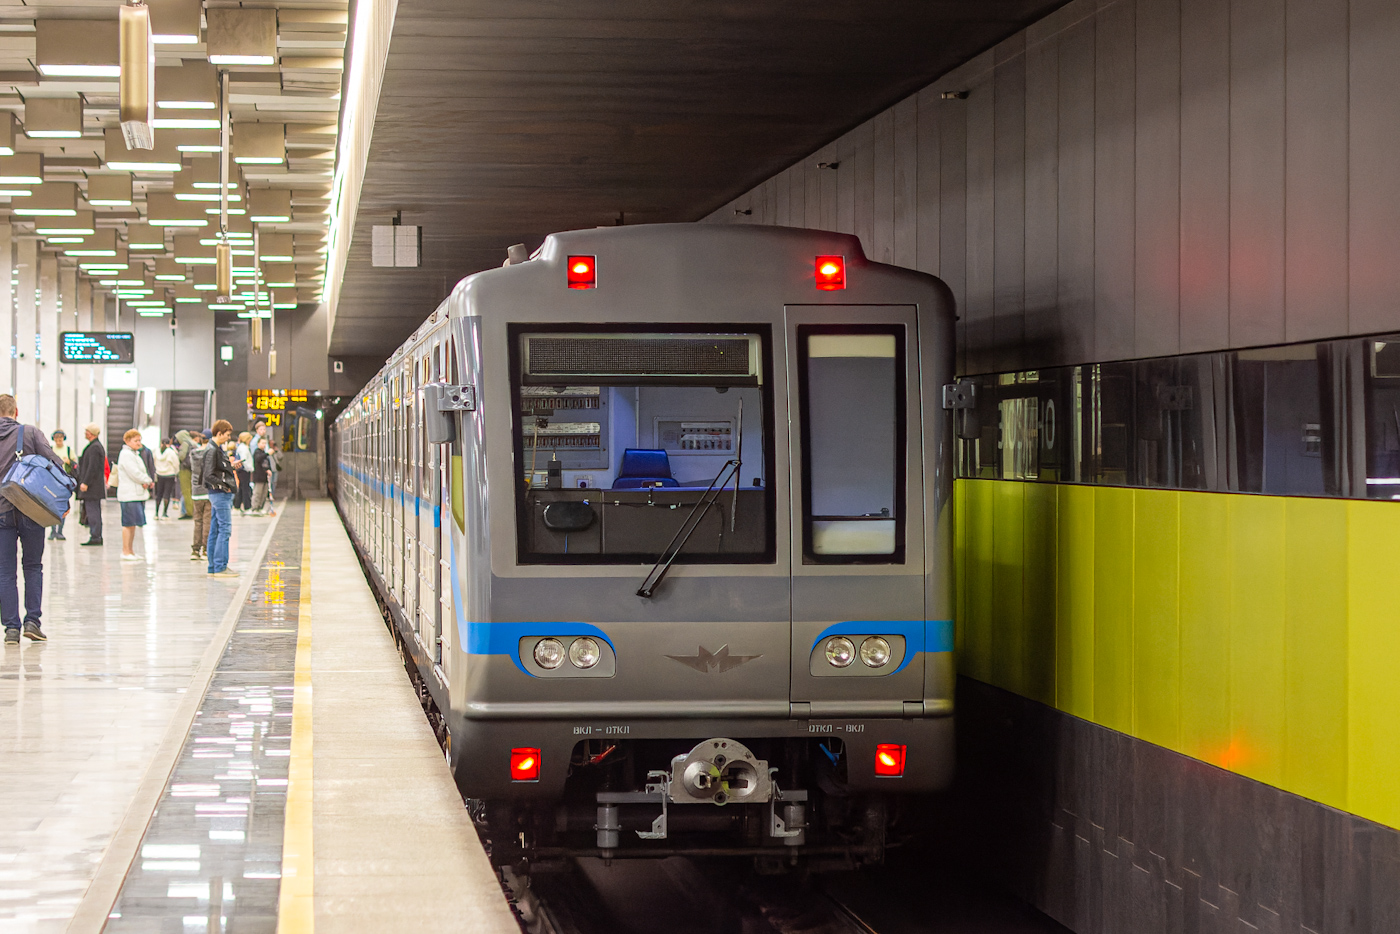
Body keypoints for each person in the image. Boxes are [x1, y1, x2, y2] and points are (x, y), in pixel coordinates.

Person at [0, 395, 65, 644]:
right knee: (33, 566)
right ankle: (32, 622)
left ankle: (11, 629)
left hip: (2, 511)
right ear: (16, 411)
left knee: (5, 571)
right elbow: (55, 463)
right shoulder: (30, 432)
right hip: (31, 509)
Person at [201, 420, 240, 577]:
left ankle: (213, 567)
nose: (228, 438)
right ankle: (220, 566)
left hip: (216, 494)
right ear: (219, 433)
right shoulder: (213, 450)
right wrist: (224, 486)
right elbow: (208, 475)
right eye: (227, 435)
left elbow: (215, 470)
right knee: (224, 529)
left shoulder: (215, 449)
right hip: (220, 494)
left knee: (215, 530)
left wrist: (230, 467)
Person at [116, 429, 153, 560]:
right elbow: (134, 473)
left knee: (133, 524)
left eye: (139, 440)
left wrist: (145, 480)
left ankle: (131, 550)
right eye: (136, 440)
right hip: (129, 495)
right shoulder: (126, 455)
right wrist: (147, 480)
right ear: (127, 441)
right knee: (128, 524)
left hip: (136, 494)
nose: (139, 443)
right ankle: (125, 551)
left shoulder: (134, 454)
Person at [76, 424, 106, 546]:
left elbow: (92, 467)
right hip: (94, 487)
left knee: (93, 511)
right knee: (94, 511)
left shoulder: (94, 448)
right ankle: (96, 535)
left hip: (92, 487)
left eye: (87, 431)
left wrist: (85, 482)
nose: (85, 433)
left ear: (91, 433)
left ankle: (95, 536)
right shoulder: (95, 446)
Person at [188, 432, 212, 561]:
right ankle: (206, 550)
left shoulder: (193, 453)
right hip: (208, 490)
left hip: (196, 491)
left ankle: (195, 550)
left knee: (198, 521)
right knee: (207, 520)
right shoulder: (211, 453)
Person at [48, 429, 75, 541]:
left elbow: (75, 465)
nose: (58, 440)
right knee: (51, 506)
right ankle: (53, 530)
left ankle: (60, 531)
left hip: (64, 482)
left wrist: (69, 462)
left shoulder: (69, 450)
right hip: (52, 481)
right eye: (56, 438)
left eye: (60, 437)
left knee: (63, 506)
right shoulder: (50, 449)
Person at [153, 438, 180, 518]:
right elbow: (176, 463)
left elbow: (153, 462)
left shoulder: (156, 451)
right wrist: (176, 472)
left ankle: (156, 513)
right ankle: (164, 513)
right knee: (167, 494)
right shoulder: (171, 452)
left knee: (159, 494)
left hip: (159, 474)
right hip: (170, 475)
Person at [175, 428, 195, 519]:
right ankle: (192, 510)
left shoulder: (185, 444)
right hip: (193, 469)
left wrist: (177, 453)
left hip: (185, 469)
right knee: (191, 490)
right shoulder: (193, 443)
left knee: (186, 491)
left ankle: (189, 512)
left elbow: (181, 456)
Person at [234, 431, 253, 514]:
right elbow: (244, 459)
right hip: (244, 470)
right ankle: (247, 507)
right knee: (245, 488)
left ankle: (237, 506)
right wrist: (249, 467)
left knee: (242, 488)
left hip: (242, 470)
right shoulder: (244, 448)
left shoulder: (241, 447)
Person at [250, 438, 271, 515]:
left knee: (264, 494)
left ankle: (260, 507)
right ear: (258, 444)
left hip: (265, 477)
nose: (264, 445)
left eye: (265, 443)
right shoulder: (257, 452)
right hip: (258, 476)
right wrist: (267, 453)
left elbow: (266, 464)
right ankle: (255, 508)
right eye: (262, 443)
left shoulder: (263, 453)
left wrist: (269, 470)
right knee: (257, 493)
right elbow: (258, 459)